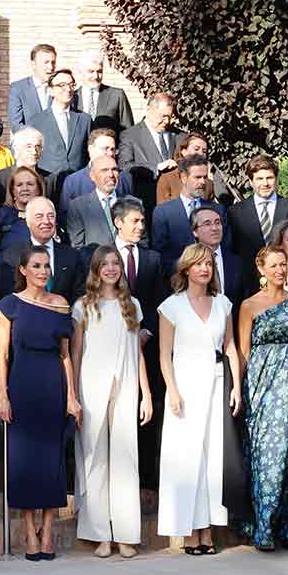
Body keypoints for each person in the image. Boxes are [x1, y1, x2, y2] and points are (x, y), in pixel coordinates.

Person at [156, 244, 245, 554]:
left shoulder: (223, 304)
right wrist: (173, 391)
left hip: (217, 384)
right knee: (187, 459)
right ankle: (190, 530)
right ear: (186, 269)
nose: (205, 269)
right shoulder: (171, 306)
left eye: (209, 264)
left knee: (212, 460)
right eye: (198, 264)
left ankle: (207, 530)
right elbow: (164, 355)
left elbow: (232, 347)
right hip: (184, 387)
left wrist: (237, 388)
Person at [0, 246, 80, 561]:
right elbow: (3, 356)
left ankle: (48, 530)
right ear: (23, 270)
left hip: (52, 385)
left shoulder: (61, 305)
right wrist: (3, 395)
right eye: (36, 265)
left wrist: (72, 396)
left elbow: (66, 355)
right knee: (25, 462)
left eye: (46, 266)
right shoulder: (10, 305)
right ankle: (30, 532)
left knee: (51, 460)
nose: (43, 271)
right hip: (22, 384)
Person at [70, 245, 152, 559]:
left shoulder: (132, 305)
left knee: (126, 458)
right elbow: (76, 353)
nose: (111, 268)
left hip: (127, 385)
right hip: (91, 387)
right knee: (94, 460)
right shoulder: (83, 306)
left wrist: (146, 393)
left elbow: (137, 352)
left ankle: (126, 534)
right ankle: (100, 534)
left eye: (115, 263)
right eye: (104, 264)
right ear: (95, 269)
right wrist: (73, 395)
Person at [238, 246, 288, 552]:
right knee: (268, 455)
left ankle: (287, 527)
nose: (280, 270)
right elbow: (243, 352)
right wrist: (238, 391)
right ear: (262, 271)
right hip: (262, 386)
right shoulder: (249, 306)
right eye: (274, 265)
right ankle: (263, 527)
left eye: (283, 265)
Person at [110, 197, 167, 488]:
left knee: (148, 405)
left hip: (147, 345)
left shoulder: (153, 258)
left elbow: (160, 302)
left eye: (143, 221)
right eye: (135, 221)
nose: (141, 226)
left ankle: (146, 475)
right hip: (113, 347)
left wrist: (147, 333)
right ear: (118, 222)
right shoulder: (104, 256)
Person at [228, 154, 288, 293]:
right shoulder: (235, 213)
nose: (265, 183)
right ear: (251, 181)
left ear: (276, 179)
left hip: (287, 285)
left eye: (269, 178)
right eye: (259, 179)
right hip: (249, 288)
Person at [0, 166, 47, 310]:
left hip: (40, 287)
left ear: (39, 189)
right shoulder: (2, 216)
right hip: (5, 285)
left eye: (30, 184)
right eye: (19, 185)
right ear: (13, 191)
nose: (25, 188)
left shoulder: (47, 216)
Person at [151, 155, 228, 275]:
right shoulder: (163, 212)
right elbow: (160, 253)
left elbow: (226, 247)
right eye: (197, 177)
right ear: (183, 178)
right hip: (178, 281)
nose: (203, 182)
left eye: (205, 177)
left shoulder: (217, 210)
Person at [117, 92, 184, 213]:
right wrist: (156, 167)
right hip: (147, 204)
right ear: (149, 110)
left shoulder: (180, 136)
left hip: (176, 205)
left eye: (170, 116)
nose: (167, 121)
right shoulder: (130, 136)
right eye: (163, 116)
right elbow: (124, 166)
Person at [32, 68, 92, 177]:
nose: (68, 89)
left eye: (71, 85)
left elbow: (89, 154)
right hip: (48, 182)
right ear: (50, 90)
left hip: (77, 183)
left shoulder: (85, 120)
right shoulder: (36, 122)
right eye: (62, 85)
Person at [58, 128, 133, 212]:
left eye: (113, 149)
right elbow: (64, 216)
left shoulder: (125, 178)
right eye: (105, 148)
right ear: (90, 149)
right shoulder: (73, 181)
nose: (110, 153)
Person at [0, 126, 53, 211]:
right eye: (29, 146)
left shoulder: (49, 179)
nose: (34, 152)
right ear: (16, 149)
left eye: (38, 146)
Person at [191, 204, 245, 312]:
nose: (214, 228)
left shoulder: (238, 262)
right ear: (195, 232)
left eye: (217, 223)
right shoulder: (187, 264)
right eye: (207, 224)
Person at [62, 155, 121, 251]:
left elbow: (142, 244)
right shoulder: (78, 206)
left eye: (114, 169)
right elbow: (78, 247)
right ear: (92, 176)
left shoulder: (133, 203)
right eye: (104, 170)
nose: (111, 174)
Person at [73, 51, 135, 136]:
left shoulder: (117, 96)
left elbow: (129, 131)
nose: (96, 76)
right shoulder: (72, 98)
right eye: (91, 71)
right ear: (80, 72)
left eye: (99, 71)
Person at [8, 43, 57, 131]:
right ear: (33, 64)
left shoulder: (58, 88)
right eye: (46, 62)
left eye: (53, 62)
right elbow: (16, 125)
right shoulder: (18, 88)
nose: (51, 67)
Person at [156, 132, 215, 204]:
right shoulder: (167, 179)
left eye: (204, 151)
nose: (200, 154)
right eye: (196, 149)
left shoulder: (207, 183)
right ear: (184, 151)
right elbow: (163, 212)